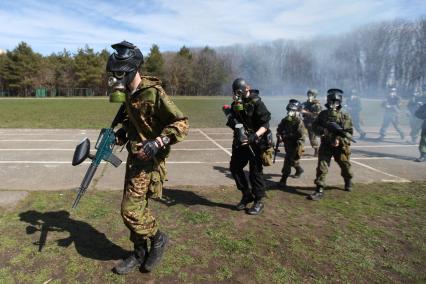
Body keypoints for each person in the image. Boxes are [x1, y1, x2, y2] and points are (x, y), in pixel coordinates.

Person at [106, 41, 189, 274]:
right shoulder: (128, 95)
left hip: (149, 161)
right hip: (134, 159)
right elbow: (135, 125)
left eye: (120, 73)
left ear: (132, 69)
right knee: (136, 207)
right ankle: (139, 252)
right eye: (114, 74)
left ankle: (159, 238)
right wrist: (121, 135)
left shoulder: (153, 92)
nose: (116, 78)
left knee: (129, 210)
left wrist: (158, 141)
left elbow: (181, 123)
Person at [226, 78, 272, 215]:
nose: (237, 94)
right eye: (235, 92)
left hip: (256, 143)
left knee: (255, 173)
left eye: (239, 91)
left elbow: (266, 124)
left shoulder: (257, 103)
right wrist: (233, 122)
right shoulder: (236, 104)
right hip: (241, 142)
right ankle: (246, 194)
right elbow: (233, 121)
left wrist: (254, 136)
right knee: (235, 168)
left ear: (247, 88)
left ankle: (259, 201)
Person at [309, 89, 354, 201]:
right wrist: (323, 130)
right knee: (322, 167)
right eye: (331, 102)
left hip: (340, 146)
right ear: (328, 101)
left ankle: (348, 180)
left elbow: (349, 132)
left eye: (336, 102)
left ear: (340, 103)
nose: (333, 104)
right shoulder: (323, 114)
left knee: (345, 165)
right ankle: (319, 189)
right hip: (326, 145)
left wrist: (339, 139)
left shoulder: (344, 115)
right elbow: (314, 127)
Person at [276, 99, 305, 188]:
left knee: (288, 160)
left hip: (296, 144)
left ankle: (283, 180)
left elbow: (299, 134)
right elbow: (279, 128)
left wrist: (285, 135)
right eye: (289, 110)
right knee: (292, 161)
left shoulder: (299, 121)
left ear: (297, 111)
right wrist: (279, 135)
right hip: (288, 143)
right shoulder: (286, 119)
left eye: (292, 111)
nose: (290, 112)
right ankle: (299, 169)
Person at [301, 89, 322, 156]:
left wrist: (306, 112)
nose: (309, 96)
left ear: (314, 96)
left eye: (311, 94)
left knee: (312, 138)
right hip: (305, 122)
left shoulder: (317, 105)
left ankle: (317, 150)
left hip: (312, 123)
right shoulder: (306, 103)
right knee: (301, 135)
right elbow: (300, 107)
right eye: (309, 94)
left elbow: (317, 114)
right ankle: (300, 149)